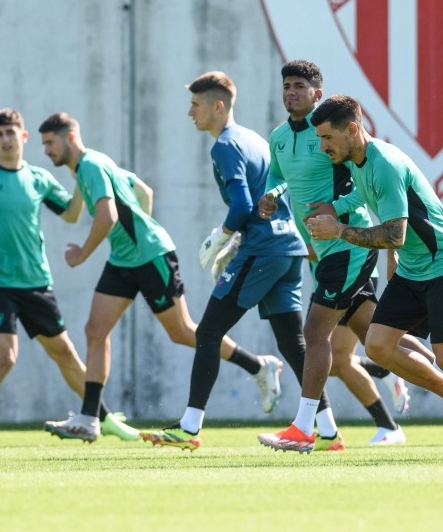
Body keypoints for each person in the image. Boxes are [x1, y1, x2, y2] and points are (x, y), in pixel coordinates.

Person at [37, 111, 283, 442]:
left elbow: (107, 215)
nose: (46, 151)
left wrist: (82, 252)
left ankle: (258, 366)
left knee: (182, 332)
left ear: (69, 137)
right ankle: (89, 417)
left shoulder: (91, 167)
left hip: (150, 255)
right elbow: (143, 192)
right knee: (95, 331)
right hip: (125, 259)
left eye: (50, 143)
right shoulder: (90, 167)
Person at [305, 94, 443, 464]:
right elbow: (364, 195)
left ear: (353, 129)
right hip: (412, 270)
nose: (322, 146)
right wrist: (335, 207)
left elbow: (395, 235)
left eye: (327, 138)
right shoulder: (359, 161)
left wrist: (338, 229)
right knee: (377, 345)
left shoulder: (385, 164)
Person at [0, 108, 138, 445]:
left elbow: (73, 214)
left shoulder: (39, 178)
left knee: (66, 354)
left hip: (37, 283)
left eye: (10, 133)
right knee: (5, 358)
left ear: (23, 136)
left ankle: (102, 418)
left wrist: (80, 174)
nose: (5, 140)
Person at [140, 71, 313, 451]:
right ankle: (328, 429)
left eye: (196, 105)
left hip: (263, 249)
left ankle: (189, 426)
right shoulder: (256, 138)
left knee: (207, 332)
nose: (190, 113)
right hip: (289, 249)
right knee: (292, 343)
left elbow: (243, 205)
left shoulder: (224, 145)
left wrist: (222, 237)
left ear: (218, 106)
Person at [256, 60, 409, 451]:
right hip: (322, 249)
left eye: (299, 86)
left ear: (317, 94)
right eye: (286, 85)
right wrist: (273, 196)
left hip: (348, 244)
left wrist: (336, 212)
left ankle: (306, 427)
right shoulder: (276, 137)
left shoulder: (333, 131)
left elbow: (359, 177)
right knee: (374, 338)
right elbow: (278, 177)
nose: (290, 91)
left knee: (314, 334)